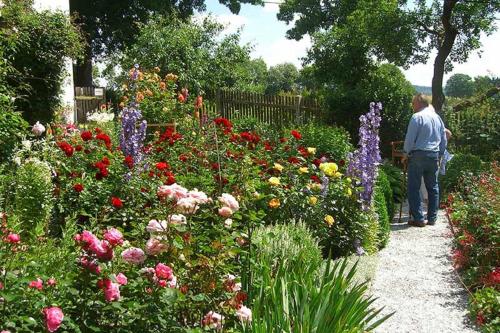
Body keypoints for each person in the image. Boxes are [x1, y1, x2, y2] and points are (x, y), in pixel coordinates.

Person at [403, 94, 447, 227]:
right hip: (433, 155)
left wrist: (405, 153)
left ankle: (419, 218)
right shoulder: (437, 118)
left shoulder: (416, 117)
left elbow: (410, 138)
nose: (412, 106)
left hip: (418, 155)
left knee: (413, 187)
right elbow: (443, 138)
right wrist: (440, 154)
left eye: (413, 103)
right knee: (433, 187)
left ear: (419, 103)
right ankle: (432, 218)